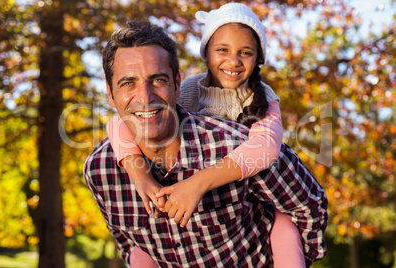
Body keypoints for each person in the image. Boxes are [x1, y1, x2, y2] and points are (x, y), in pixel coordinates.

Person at [84, 19, 328, 267]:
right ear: (110, 93)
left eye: (158, 80)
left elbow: (308, 206)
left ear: (177, 84)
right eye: (128, 83)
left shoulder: (240, 140)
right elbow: (126, 240)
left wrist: (201, 182)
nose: (145, 98)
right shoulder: (101, 169)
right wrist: (139, 174)